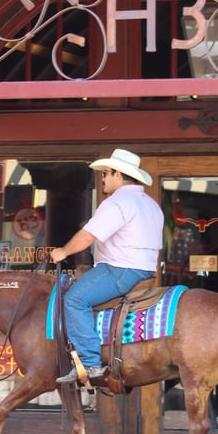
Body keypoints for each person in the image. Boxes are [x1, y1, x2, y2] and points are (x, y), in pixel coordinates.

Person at [51, 148, 164, 383]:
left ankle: (90, 364)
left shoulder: (118, 202)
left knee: (74, 299)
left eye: (106, 173)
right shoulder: (150, 204)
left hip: (119, 269)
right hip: (144, 270)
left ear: (118, 174)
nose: (103, 178)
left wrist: (62, 252)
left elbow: (88, 236)